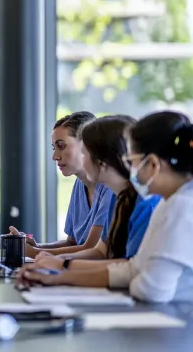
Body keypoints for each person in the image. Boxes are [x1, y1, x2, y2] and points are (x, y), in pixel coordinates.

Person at [19, 111, 193, 303]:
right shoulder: (166, 204)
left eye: (132, 161)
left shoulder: (174, 207)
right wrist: (57, 275)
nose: (130, 168)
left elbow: (147, 288)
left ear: (152, 164)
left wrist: (61, 268)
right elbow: (132, 269)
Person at [32, 115, 160, 271]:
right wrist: (53, 259)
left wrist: (62, 265)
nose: (82, 159)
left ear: (102, 161)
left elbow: (130, 268)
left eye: (84, 154)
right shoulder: (118, 196)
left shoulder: (146, 203)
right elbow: (101, 251)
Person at [10, 111, 116, 258]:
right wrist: (37, 247)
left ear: (87, 145)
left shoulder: (110, 187)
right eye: (54, 148)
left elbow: (91, 248)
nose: (55, 156)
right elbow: (72, 243)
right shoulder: (79, 184)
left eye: (61, 146)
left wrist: (35, 253)